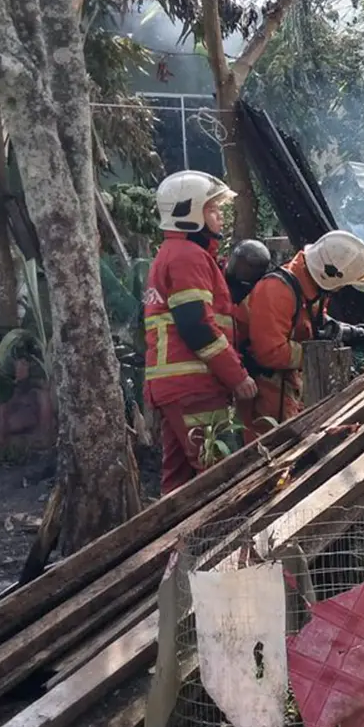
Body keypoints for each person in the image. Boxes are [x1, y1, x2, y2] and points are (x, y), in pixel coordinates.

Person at [143, 171, 257, 494]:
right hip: (194, 388)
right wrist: (237, 376)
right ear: (188, 213)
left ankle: (173, 545)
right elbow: (197, 326)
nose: (220, 217)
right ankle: (228, 543)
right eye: (212, 210)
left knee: (178, 485)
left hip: (175, 389)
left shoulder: (174, 255)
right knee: (222, 480)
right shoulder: (187, 257)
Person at [236, 230, 364, 441]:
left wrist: (350, 332)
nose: (339, 290)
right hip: (264, 386)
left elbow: (312, 322)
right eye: (341, 284)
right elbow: (270, 352)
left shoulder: (308, 286)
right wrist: (319, 353)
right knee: (268, 448)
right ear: (329, 274)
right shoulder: (277, 290)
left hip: (285, 383)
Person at [222, 239, 272, 305]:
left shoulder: (258, 292)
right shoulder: (217, 274)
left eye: (250, 267)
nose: (242, 269)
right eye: (239, 263)